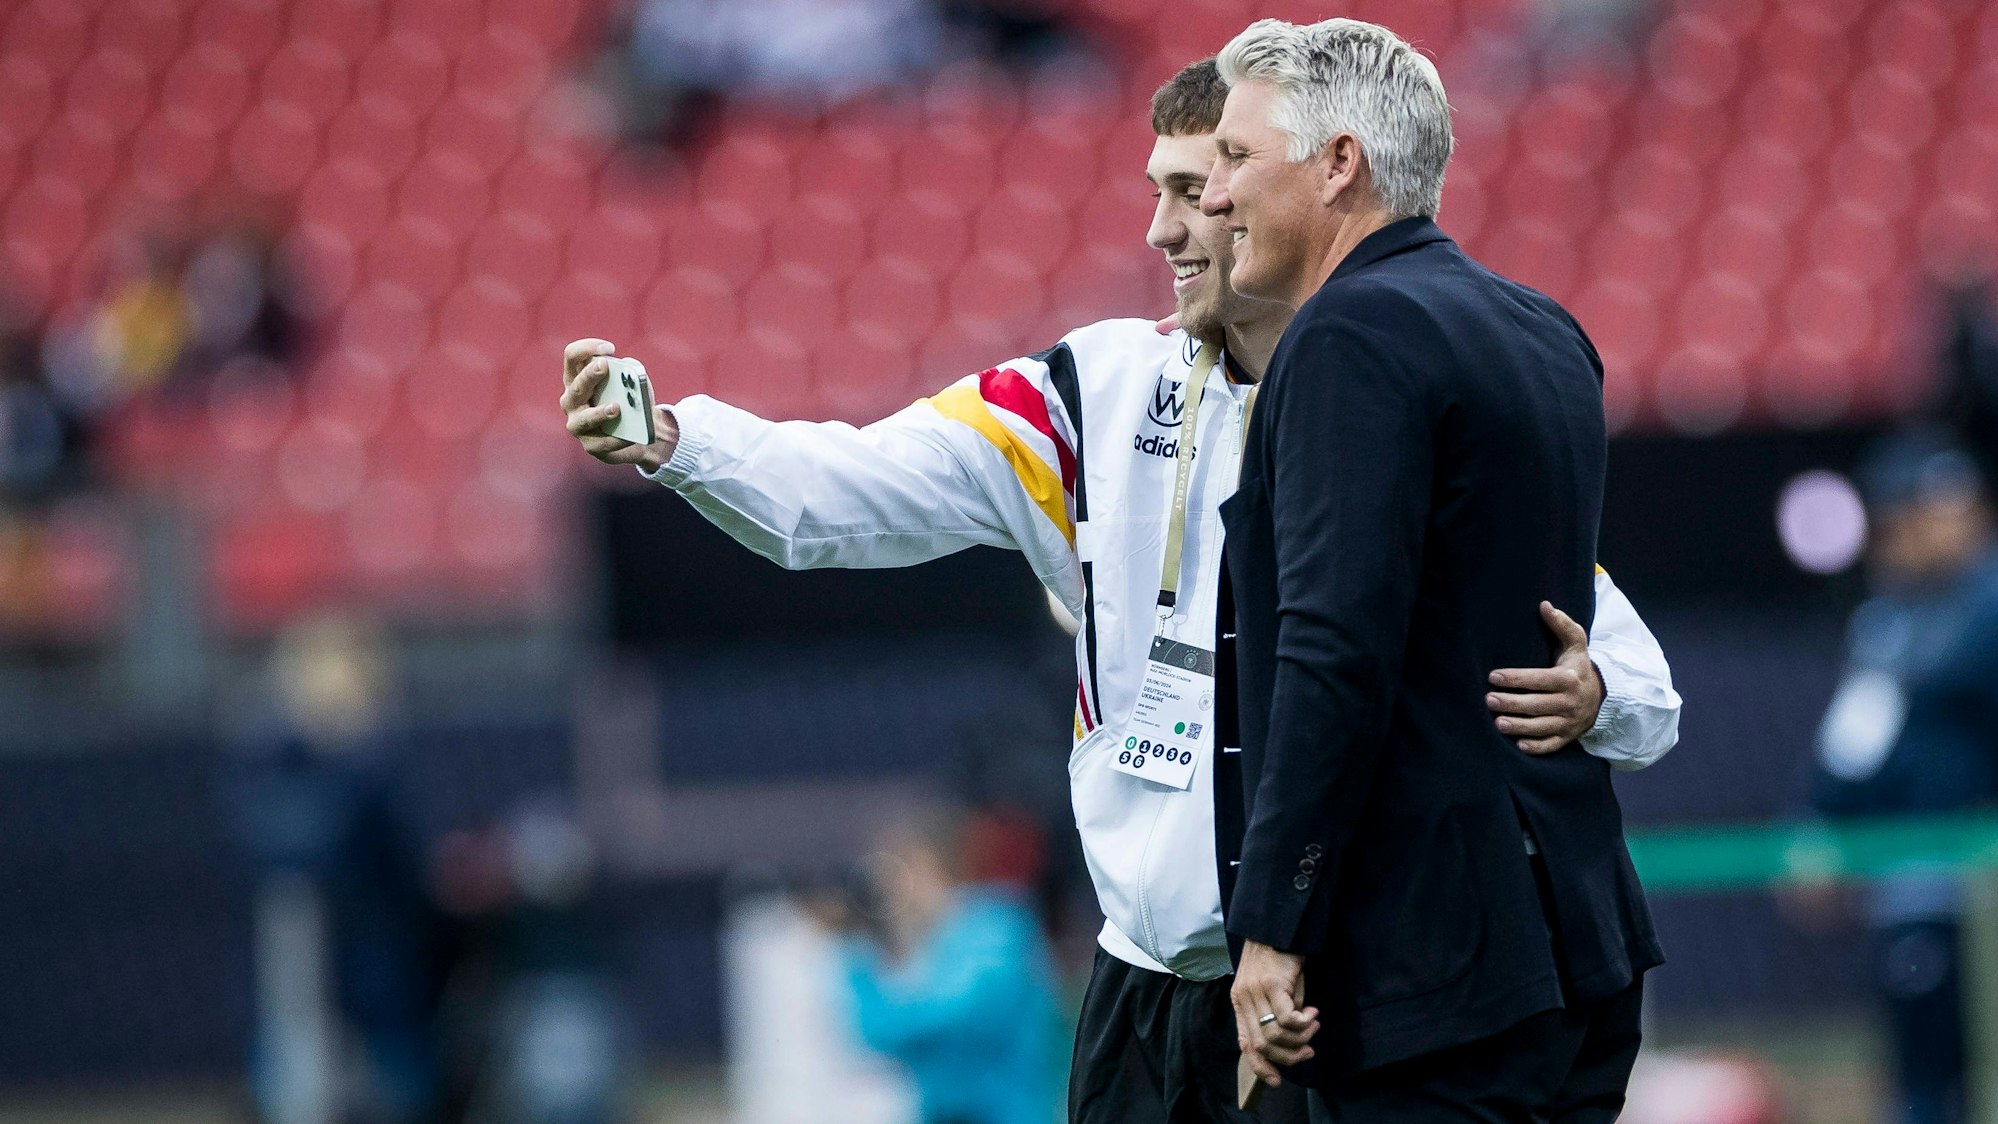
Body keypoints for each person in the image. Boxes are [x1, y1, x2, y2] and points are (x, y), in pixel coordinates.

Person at [559, 56, 1681, 1123]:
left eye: (1199, 189)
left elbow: (1619, 651)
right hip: (1139, 985)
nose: (1163, 228)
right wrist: (677, 438)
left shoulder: (1396, 389)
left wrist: (1603, 695)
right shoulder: (1092, 388)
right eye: (1162, 190)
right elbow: (851, 487)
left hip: (1319, 990)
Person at [1202, 18, 1664, 1120]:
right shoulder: (1546, 329)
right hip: (1578, 940)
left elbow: (1334, 645)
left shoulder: (1347, 337)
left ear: (1340, 162)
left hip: (1436, 976)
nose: (1214, 197)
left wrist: (1276, 919)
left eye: (1234, 157)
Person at [1811, 431, 1998, 1124]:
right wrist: (1823, 828)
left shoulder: (1987, 604)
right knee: (1923, 1078)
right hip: (1908, 882)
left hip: (1979, 878)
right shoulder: (1890, 618)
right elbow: (1855, 742)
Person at [812, 806, 1065, 1124]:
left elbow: (940, 1017)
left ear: (922, 865)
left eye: (890, 873)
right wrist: (857, 947)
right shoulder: (937, 944)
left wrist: (858, 955)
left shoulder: (996, 926)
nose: (883, 891)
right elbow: (873, 1035)